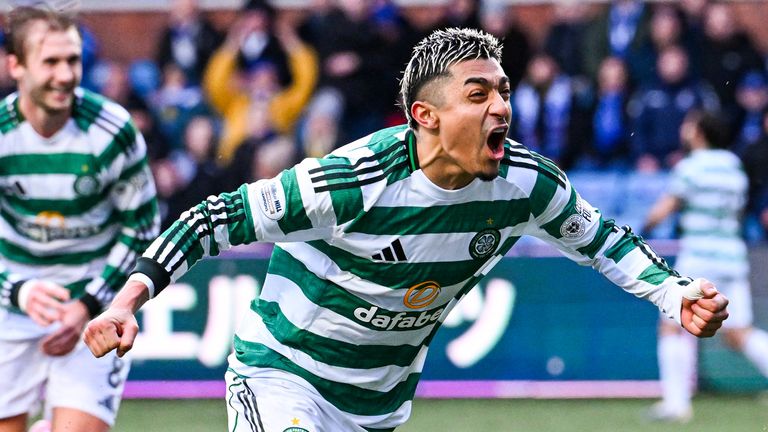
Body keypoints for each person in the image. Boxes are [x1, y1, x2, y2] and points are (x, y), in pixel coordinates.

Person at [84, 28, 728, 432]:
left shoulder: (525, 185)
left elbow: (603, 241)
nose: (501, 105)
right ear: (425, 115)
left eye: (502, 91)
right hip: (284, 375)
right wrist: (125, 301)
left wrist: (676, 295)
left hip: (377, 407)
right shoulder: (352, 180)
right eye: (478, 94)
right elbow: (211, 220)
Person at [0, 6, 160, 432]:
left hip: (92, 306)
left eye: (72, 59)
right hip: (9, 307)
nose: (66, 74)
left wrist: (87, 303)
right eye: (50, 61)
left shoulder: (112, 131)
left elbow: (142, 228)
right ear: (15, 65)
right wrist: (17, 291)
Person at [642, 109, 768, 422]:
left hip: (698, 258)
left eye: (688, 124)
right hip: (732, 256)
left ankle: (676, 404)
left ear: (698, 132)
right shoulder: (734, 166)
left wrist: (641, 229)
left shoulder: (690, 167)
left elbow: (665, 208)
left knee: (672, 327)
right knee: (739, 333)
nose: (683, 128)